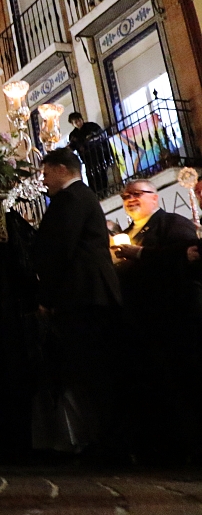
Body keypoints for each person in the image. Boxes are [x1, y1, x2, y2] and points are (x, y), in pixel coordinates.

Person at [31, 148, 125, 457]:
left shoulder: (69, 200)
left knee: (88, 370)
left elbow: (59, 250)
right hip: (91, 294)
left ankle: (100, 442)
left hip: (83, 296)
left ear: (61, 169)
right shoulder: (82, 197)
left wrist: (45, 299)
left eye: (45, 173)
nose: (43, 180)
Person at [112, 179, 202, 458]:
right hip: (140, 319)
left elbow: (187, 256)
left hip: (173, 315)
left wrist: (139, 254)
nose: (130, 199)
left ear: (154, 197)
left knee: (184, 384)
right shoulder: (125, 233)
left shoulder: (170, 223)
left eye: (137, 194)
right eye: (126, 195)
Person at [67, 112, 109, 195]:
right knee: (90, 175)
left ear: (82, 119)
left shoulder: (92, 126)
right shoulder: (73, 135)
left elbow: (101, 135)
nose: (78, 123)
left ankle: (104, 191)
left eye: (79, 120)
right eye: (75, 122)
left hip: (98, 154)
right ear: (72, 124)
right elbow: (73, 146)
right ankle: (96, 193)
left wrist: (90, 139)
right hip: (86, 158)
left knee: (101, 173)